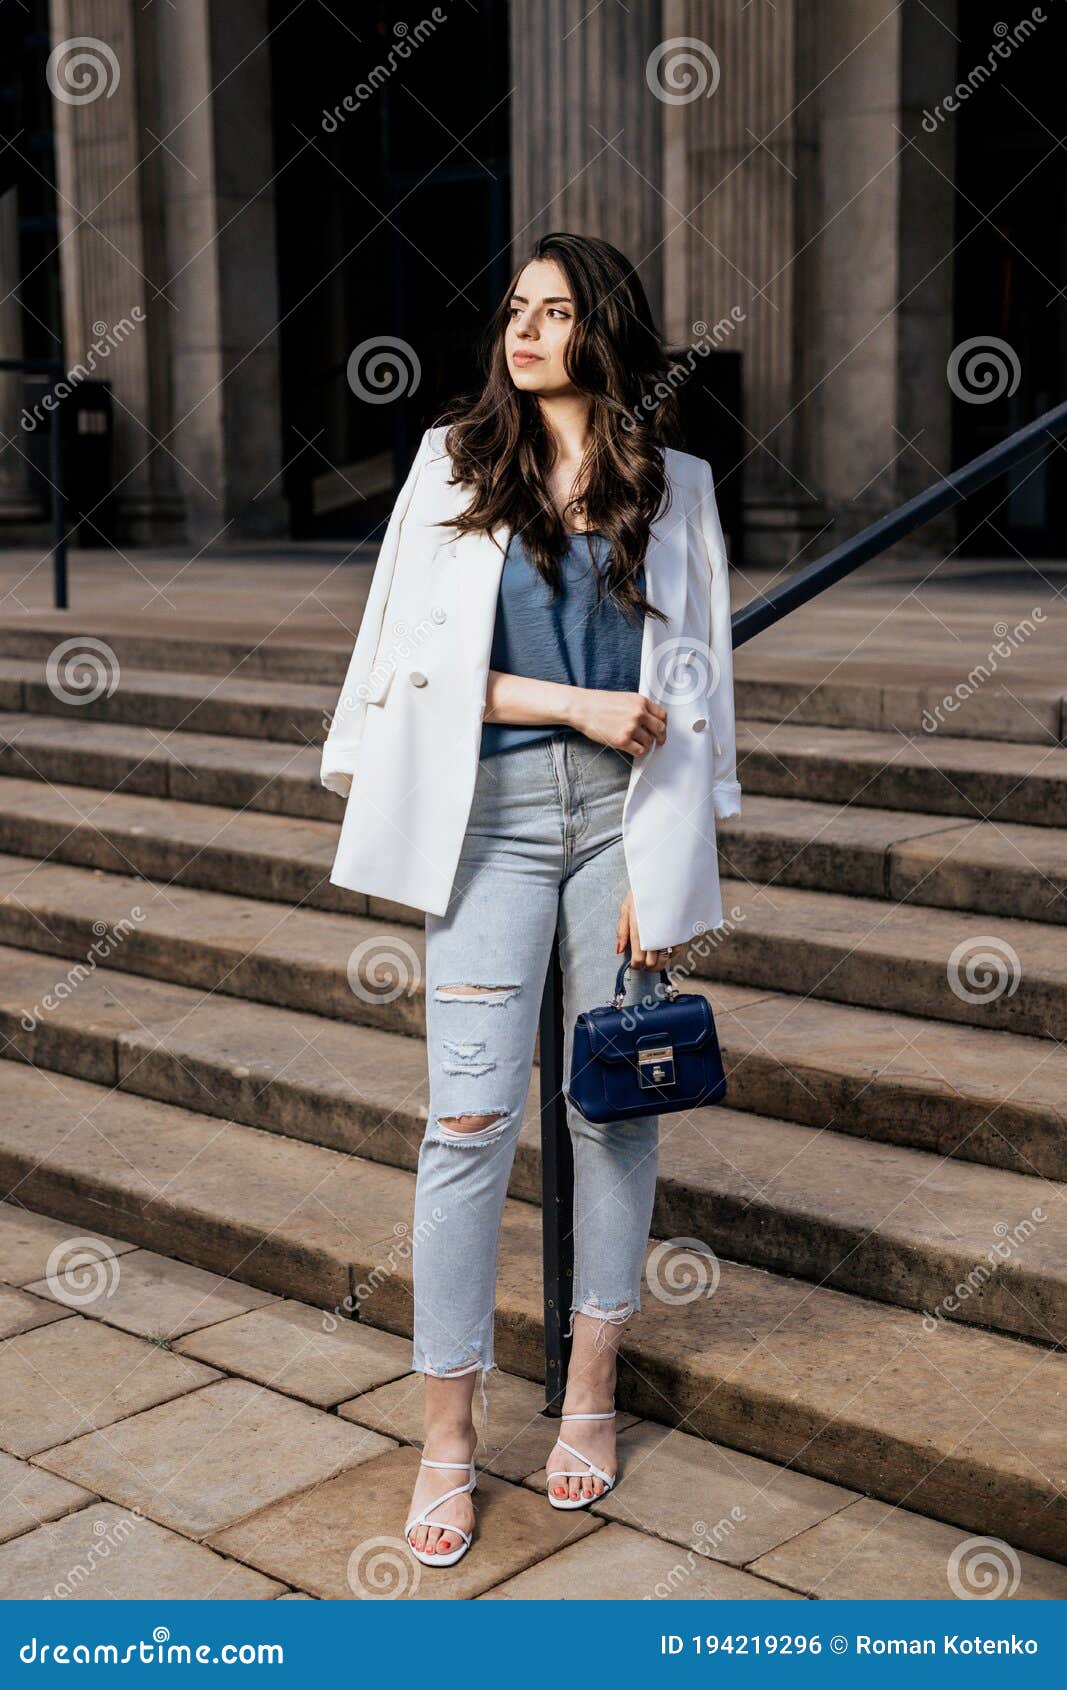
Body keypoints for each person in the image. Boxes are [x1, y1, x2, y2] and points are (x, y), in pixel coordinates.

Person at [321, 231, 740, 1569]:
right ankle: (447, 1434)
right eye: (514, 307)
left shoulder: (675, 485)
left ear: (602, 332)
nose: (524, 328)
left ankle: (592, 1388)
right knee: (464, 1120)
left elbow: (703, 693)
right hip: (487, 819)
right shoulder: (455, 466)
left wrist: (674, 876)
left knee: (607, 1108)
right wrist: (571, 701)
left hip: (626, 825)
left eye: (554, 311)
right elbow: (407, 670)